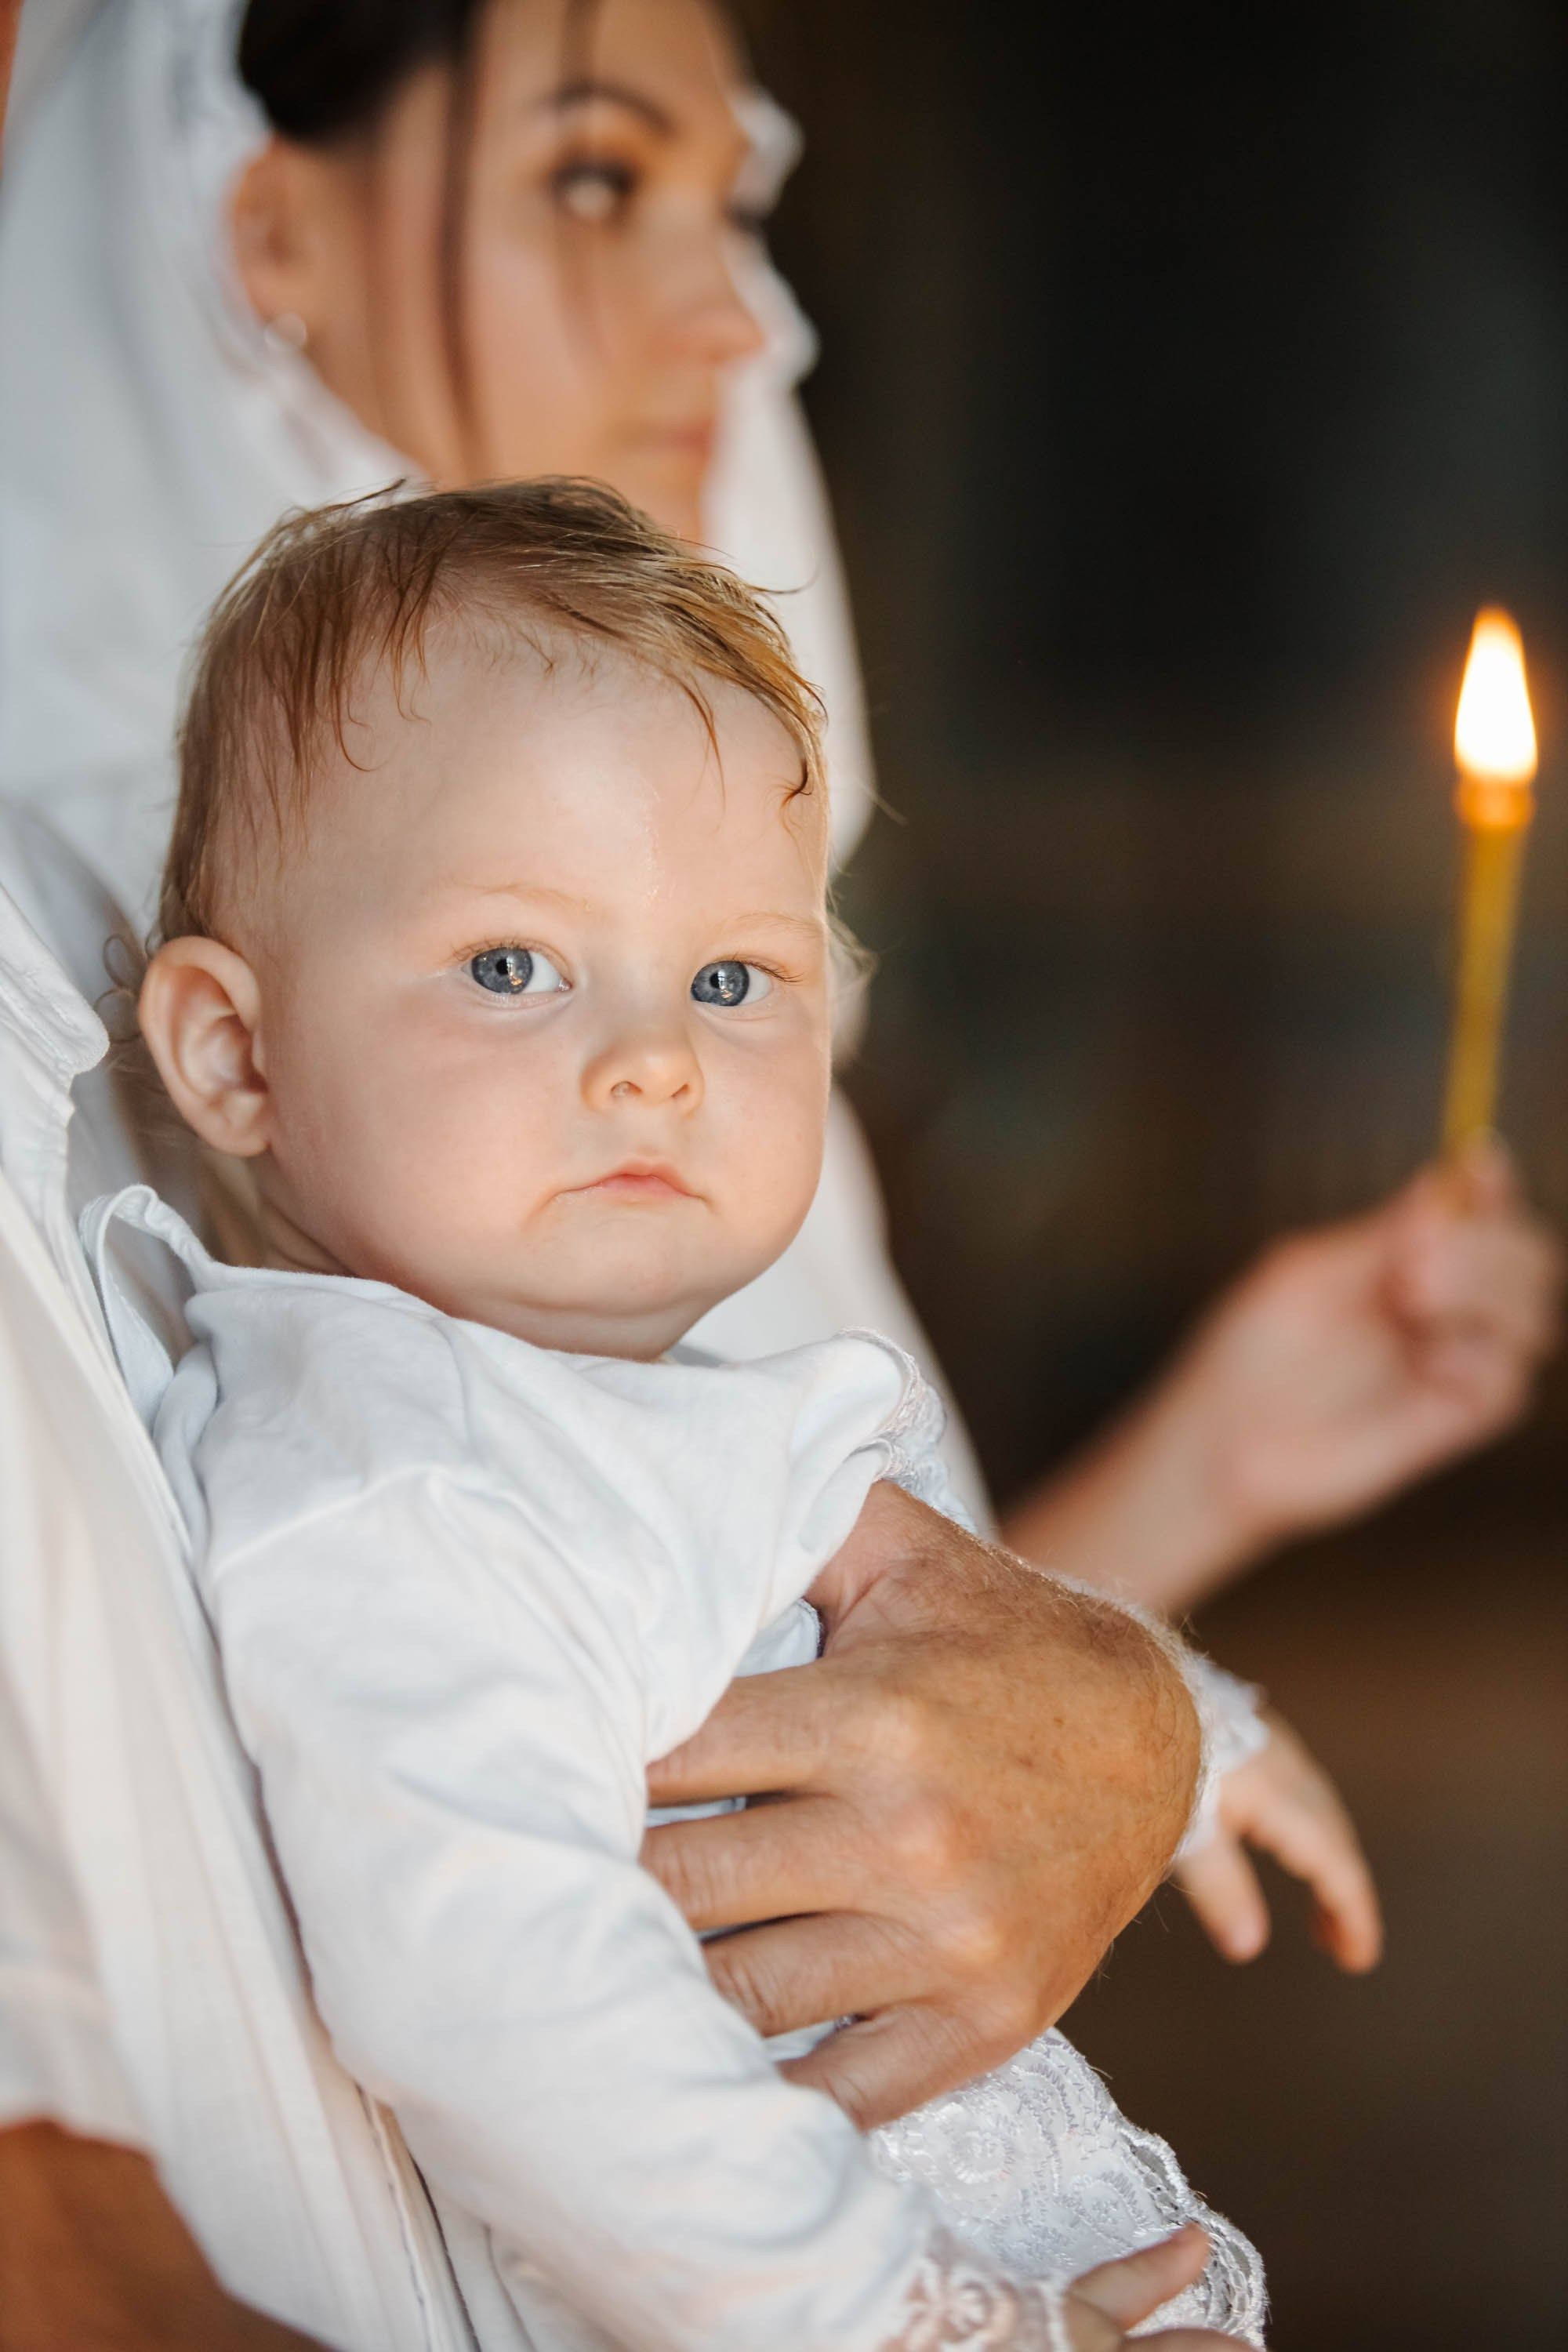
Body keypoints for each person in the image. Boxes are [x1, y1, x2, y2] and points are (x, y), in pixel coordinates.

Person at [108, 471, 1265, 2351]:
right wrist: (914, 2324)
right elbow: (494, 1999)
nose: (653, 1062)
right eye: (511, 967)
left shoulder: (571, 1407)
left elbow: (868, 1677)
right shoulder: (399, 1483)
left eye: (733, 977)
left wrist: (1180, 1725)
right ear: (236, 1052)